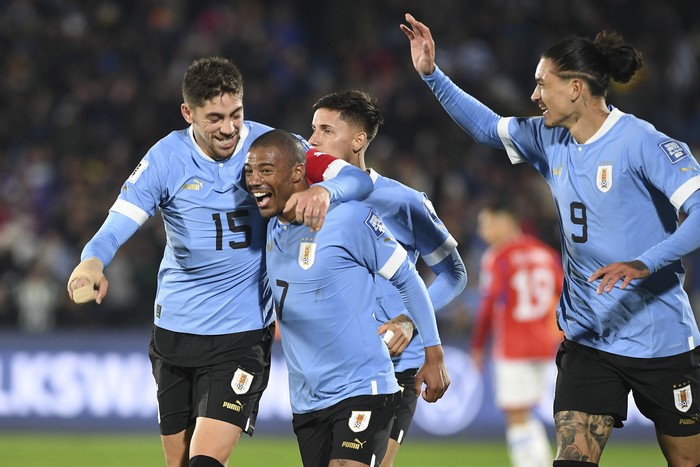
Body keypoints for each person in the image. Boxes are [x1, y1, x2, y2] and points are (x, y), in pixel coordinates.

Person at [401, 13, 700, 467]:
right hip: (588, 339)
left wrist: (644, 263)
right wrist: (431, 75)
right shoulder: (548, 138)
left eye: (543, 84)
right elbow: (487, 127)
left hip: (661, 340)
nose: (534, 95)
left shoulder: (643, 143)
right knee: (571, 460)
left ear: (576, 88)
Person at [66, 56, 373, 467]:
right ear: (187, 113)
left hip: (241, 334)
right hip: (174, 332)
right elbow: (118, 222)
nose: (229, 128)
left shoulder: (274, 147)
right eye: (214, 118)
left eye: (236, 114)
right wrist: (91, 261)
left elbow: (355, 179)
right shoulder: (165, 159)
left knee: (205, 463)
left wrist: (324, 192)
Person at [244, 129, 450, 467]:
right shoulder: (271, 228)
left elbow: (408, 279)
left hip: (364, 385)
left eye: (266, 171)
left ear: (298, 172)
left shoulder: (351, 218)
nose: (255, 180)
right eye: (251, 171)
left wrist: (434, 353)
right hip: (308, 399)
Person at [308, 89, 467, 466]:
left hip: (391, 364)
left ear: (358, 141)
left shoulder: (403, 201)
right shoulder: (307, 200)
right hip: (327, 365)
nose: (313, 140)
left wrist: (413, 322)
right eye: (312, 129)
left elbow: (454, 273)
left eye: (326, 130)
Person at [472, 196, 563, 467]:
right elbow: (563, 297)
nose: (481, 231)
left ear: (504, 222)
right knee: (529, 410)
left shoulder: (498, 256)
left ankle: (532, 463)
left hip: (513, 345)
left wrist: (477, 346)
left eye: (485, 224)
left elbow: (488, 305)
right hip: (546, 344)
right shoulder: (546, 253)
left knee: (516, 415)